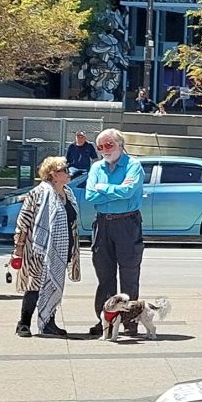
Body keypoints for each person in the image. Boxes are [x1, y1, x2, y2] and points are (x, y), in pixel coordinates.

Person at [82, 129, 146, 338]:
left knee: (129, 274)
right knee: (104, 275)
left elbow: (128, 192)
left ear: (120, 144)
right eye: (100, 147)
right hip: (103, 224)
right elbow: (90, 195)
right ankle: (106, 321)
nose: (104, 150)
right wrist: (114, 190)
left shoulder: (133, 166)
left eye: (108, 145)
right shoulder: (96, 167)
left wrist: (103, 188)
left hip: (127, 223)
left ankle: (129, 322)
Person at [13, 157, 82, 337]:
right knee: (34, 285)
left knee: (54, 285)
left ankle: (49, 323)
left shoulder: (68, 193)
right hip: (38, 247)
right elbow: (23, 221)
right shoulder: (37, 193)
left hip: (62, 247)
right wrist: (18, 247)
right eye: (64, 170)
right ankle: (23, 323)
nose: (68, 172)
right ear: (53, 174)